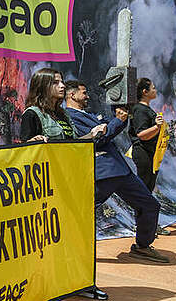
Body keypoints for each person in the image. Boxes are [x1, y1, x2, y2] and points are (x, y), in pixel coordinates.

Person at [64, 81, 169, 274]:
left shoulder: (87, 114)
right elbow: (97, 140)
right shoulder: (69, 117)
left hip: (119, 170)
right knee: (81, 213)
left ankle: (142, 246)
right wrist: (117, 121)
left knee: (150, 205)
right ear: (72, 96)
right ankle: (66, 251)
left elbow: (107, 130)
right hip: (102, 173)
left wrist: (119, 114)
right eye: (84, 92)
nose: (87, 96)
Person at [20, 68, 84, 142]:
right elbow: (24, 149)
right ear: (42, 86)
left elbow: (73, 143)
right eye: (55, 82)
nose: (63, 86)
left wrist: (92, 135)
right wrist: (33, 141)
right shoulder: (31, 114)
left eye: (62, 82)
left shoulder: (64, 114)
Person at [129, 78, 164, 192]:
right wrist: (157, 127)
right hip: (143, 152)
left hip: (150, 153)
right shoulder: (140, 110)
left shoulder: (145, 109)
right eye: (153, 88)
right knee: (144, 188)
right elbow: (142, 134)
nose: (155, 90)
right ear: (145, 92)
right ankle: (140, 209)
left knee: (148, 187)